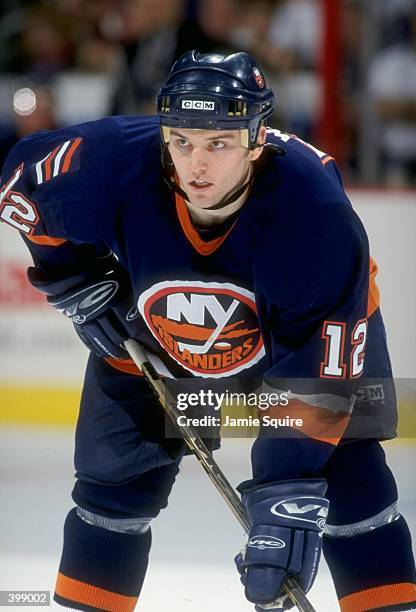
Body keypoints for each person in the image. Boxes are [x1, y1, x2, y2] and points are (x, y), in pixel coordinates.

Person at [0, 50, 415, 612]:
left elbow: (320, 369)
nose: (196, 165)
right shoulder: (114, 163)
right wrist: (69, 274)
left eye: (218, 143)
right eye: (182, 141)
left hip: (310, 345)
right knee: (111, 485)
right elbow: (23, 181)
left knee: (351, 484)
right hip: (155, 337)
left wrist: (284, 489)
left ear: (255, 137)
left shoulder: (314, 217)